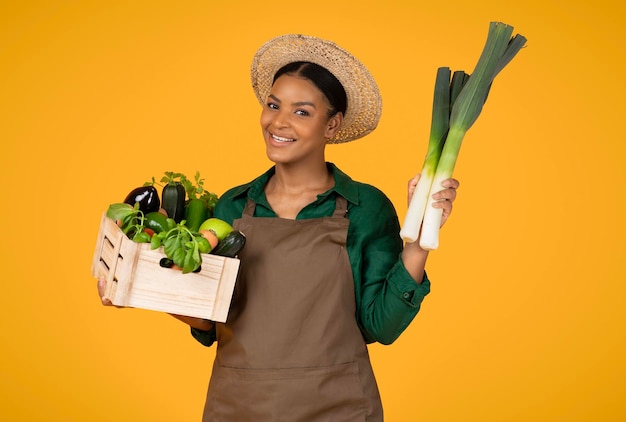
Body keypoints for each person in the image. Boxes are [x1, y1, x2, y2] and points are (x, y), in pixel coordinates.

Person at [97, 34, 459, 421]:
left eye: (301, 112)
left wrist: (419, 244)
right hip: (239, 406)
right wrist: (146, 287)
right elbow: (209, 322)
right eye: (273, 105)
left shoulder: (365, 208)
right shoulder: (232, 207)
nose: (279, 122)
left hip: (339, 408)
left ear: (332, 125)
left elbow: (381, 326)